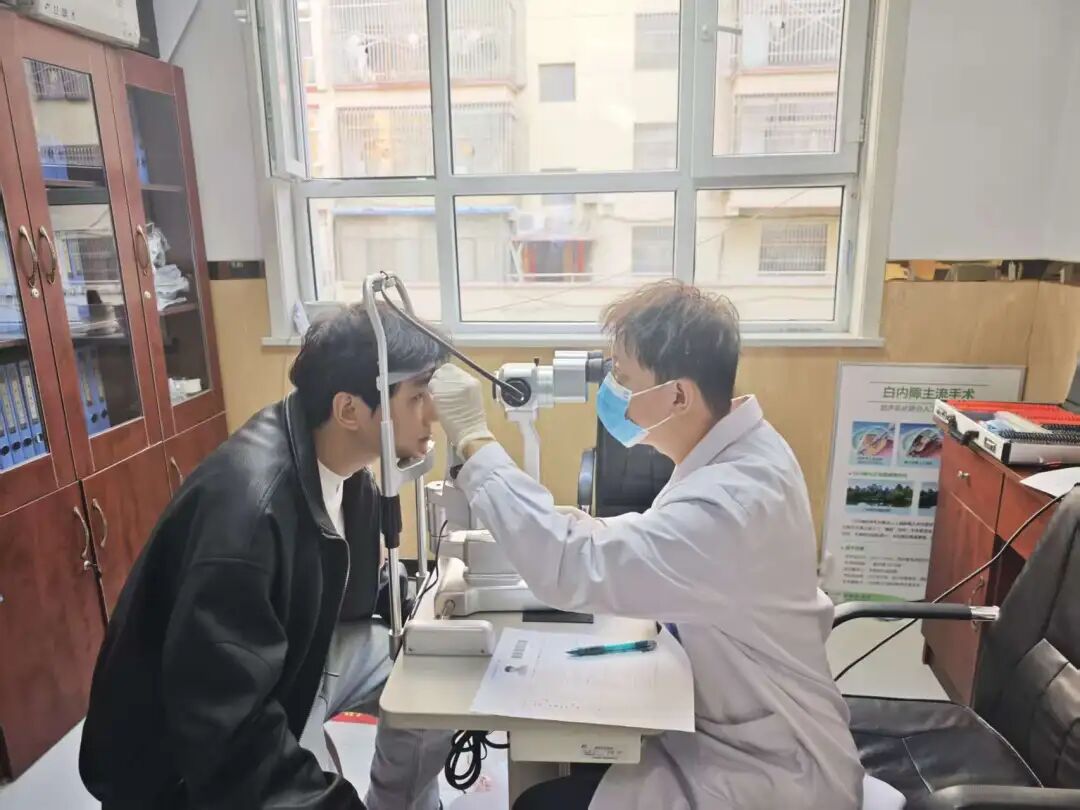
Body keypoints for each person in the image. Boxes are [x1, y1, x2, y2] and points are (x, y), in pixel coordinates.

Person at [431, 280, 864, 810]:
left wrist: (475, 440)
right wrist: (578, 524)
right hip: (733, 723)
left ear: (678, 395)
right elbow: (661, 538)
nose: (611, 388)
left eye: (623, 375)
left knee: (540, 804)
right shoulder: (744, 450)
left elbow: (574, 566)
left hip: (769, 771)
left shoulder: (731, 503)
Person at [80, 303, 452, 810]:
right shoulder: (250, 514)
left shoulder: (349, 475)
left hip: (281, 663)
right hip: (184, 759)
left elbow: (344, 592)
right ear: (349, 410)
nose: (433, 414)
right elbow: (225, 726)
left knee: (432, 670)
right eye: (417, 397)